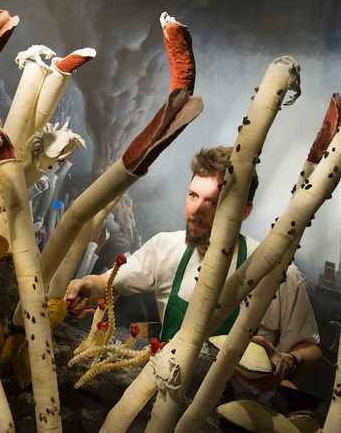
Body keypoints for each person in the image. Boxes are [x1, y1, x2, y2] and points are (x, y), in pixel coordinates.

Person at [65, 146, 321, 384]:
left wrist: (290, 360)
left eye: (212, 202)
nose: (196, 210)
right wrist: (89, 285)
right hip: (160, 389)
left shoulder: (279, 274)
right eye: (193, 195)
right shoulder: (166, 248)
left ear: (244, 211)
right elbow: (107, 283)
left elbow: (309, 348)